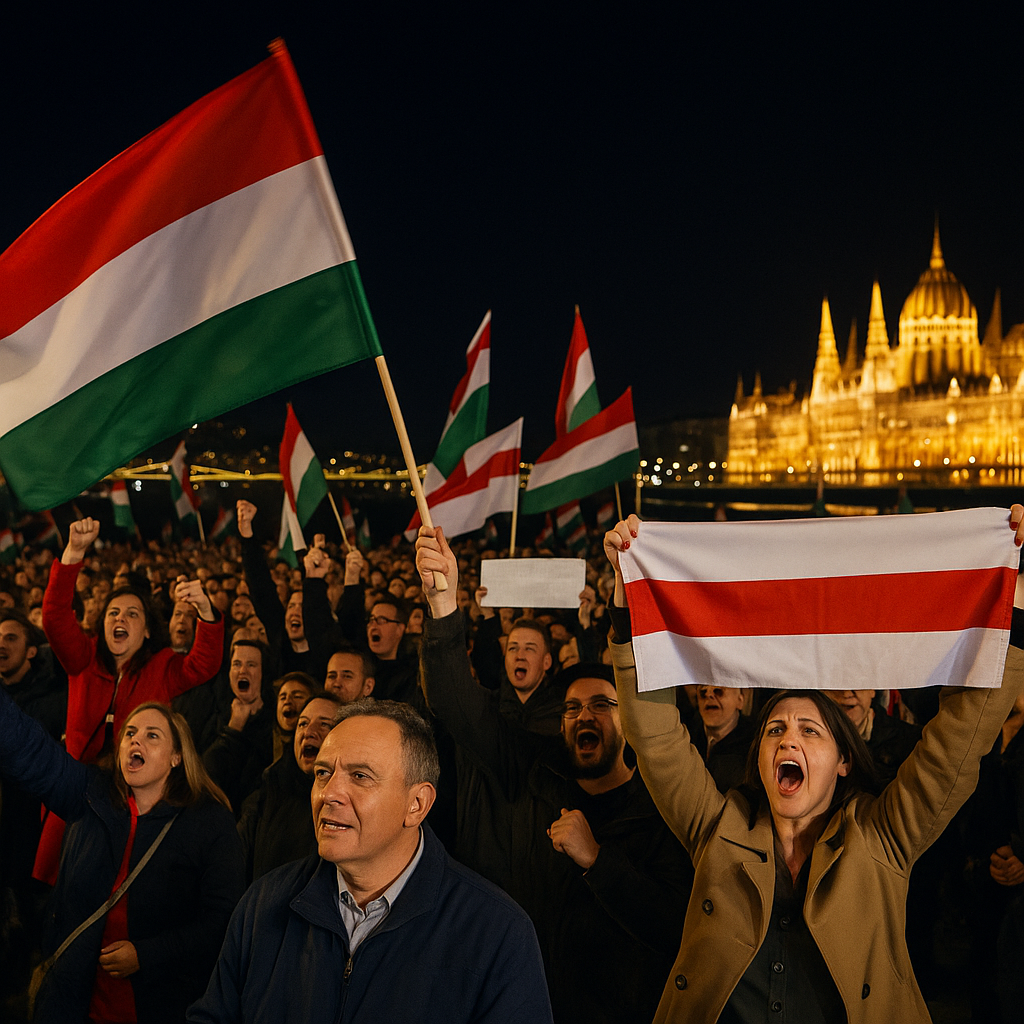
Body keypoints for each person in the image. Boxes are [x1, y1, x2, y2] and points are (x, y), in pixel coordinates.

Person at [602, 511, 1024, 1023]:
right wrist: (631, 608)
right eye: (775, 730)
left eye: (810, 730)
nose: (788, 741)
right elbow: (658, 742)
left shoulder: (884, 837)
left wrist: (1013, 593)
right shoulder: (716, 831)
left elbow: (960, 738)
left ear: (844, 762)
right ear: (758, 759)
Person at [416, 526, 692, 1024]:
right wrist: (442, 605)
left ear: (628, 724)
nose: (584, 716)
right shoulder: (532, 771)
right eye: (571, 708)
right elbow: (457, 705)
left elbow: (674, 926)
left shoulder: (662, 810)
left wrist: (599, 862)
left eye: (601, 705)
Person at [188, 700, 552, 1024]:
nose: (329, 793)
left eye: (360, 777)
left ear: (417, 805)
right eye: (322, 773)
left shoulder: (498, 932)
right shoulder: (263, 904)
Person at [0, 692, 244, 1023]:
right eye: (130, 733)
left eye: (151, 735)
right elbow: (31, 751)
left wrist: (147, 954)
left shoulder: (209, 823)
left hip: (159, 1004)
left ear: (176, 757)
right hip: (76, 1000)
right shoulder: (91, 793)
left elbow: (222, 920)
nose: (135, 740)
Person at [35, 518, 223, 883]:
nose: (120, 619)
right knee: (64, 885)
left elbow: (204, 663)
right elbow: (55, 618)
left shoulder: (163, 666)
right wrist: (73, 552)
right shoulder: (83, 659)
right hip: (77, 790)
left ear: (148, 629)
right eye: (113, 613)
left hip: (131, 794)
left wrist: (205, 608)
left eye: (132, 614)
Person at [236, 693, 344, 882]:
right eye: (302, 723)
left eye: (324, 724)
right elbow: (234, 862)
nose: (309, 731)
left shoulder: (348, 803)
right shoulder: (267, 791)